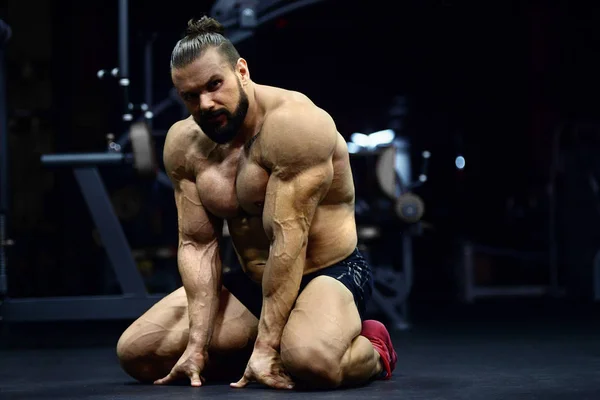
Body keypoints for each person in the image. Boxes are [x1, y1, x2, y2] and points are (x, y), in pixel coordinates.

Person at [116, 15, 397, 390]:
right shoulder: (185, 144)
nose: (206, 103)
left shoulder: (295, 124)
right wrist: (197, 345)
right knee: (139, 354)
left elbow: (288, 238)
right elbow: (197, 245)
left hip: (327, 272)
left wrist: (266, 345)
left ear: (241, 70)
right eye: (190, 96)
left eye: (214, 85)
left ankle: (373, 347)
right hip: (255, 281)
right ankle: (266, 343)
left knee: (309, 361)